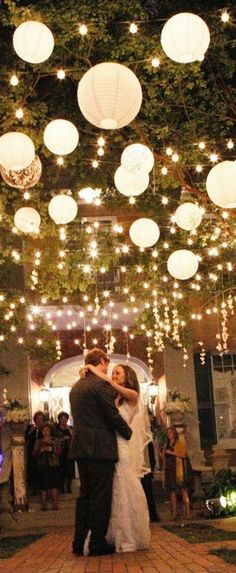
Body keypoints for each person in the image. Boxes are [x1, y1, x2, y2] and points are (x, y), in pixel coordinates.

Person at [69, 348, 132, 557]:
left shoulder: (76, 387)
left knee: (85, 495)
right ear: (102, 361)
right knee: (100, 496)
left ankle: (78, 542)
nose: (109, 368)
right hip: (100, 448)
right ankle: (97, 541)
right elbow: (111, 415)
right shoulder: (101, 385)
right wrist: (128, 431)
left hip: (80, 447)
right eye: (107, 363)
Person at [84, 361, 151, 552]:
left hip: (122, 447)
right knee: (111, 490)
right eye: (113, 373)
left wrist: (97, 372)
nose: (114, 376)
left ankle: (128, 534)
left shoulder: (133, 396)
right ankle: (110, 534)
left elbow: (120, 395)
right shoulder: (113, 399)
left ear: (127, 377)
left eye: (118, 374)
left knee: (123, 486)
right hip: (109, 446)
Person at [160, 426, 193, 520]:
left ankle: (188, 512)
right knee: (172, 491)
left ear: (174, 433)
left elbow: (183, 454)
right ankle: (174, 513)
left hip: (178, 469)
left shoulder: (180, 442)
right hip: (169, 469)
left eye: (170, 432)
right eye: (168, 433)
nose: (169, 434)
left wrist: (172, 453)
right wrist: (160, 452)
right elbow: (164, 457)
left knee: (183, 490)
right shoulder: (166, 444)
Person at [33, 422, 61, 511]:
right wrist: (40, 451)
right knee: (43, 484)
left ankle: (55, 503)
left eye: (47, 430)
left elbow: (59, 452)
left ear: (50, 431)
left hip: (53, 464)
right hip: (42, 464)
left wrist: (52, 447)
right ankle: (44, 504)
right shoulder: (38, 441)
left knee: (54, 484)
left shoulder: (55, 440)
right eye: (44, 430)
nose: (45, 432)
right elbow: (33, 453)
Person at [25, 410, 45, 494]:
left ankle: (41, 489)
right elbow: (25, 439)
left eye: (41, 419)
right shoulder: (30, 428)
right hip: (31, 453)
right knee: (32, 470)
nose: (39, 421)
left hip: (42, 454)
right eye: (38, 419)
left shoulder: (45, 429)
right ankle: (33, 489)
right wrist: (30, 432)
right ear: (35, 420)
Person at [55, 411, 75, 494]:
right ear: (59, 419)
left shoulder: (70, 428)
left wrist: (71, 434)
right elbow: (54, 440)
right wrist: (62, 439)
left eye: (65, 419)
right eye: (62, 419)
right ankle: (62, 488)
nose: (63, 420)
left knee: (69, 469)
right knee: (61, 470)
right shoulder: (56, 429)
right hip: (60, 452)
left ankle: (69, 488)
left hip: (69, 451)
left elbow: (74, 439)